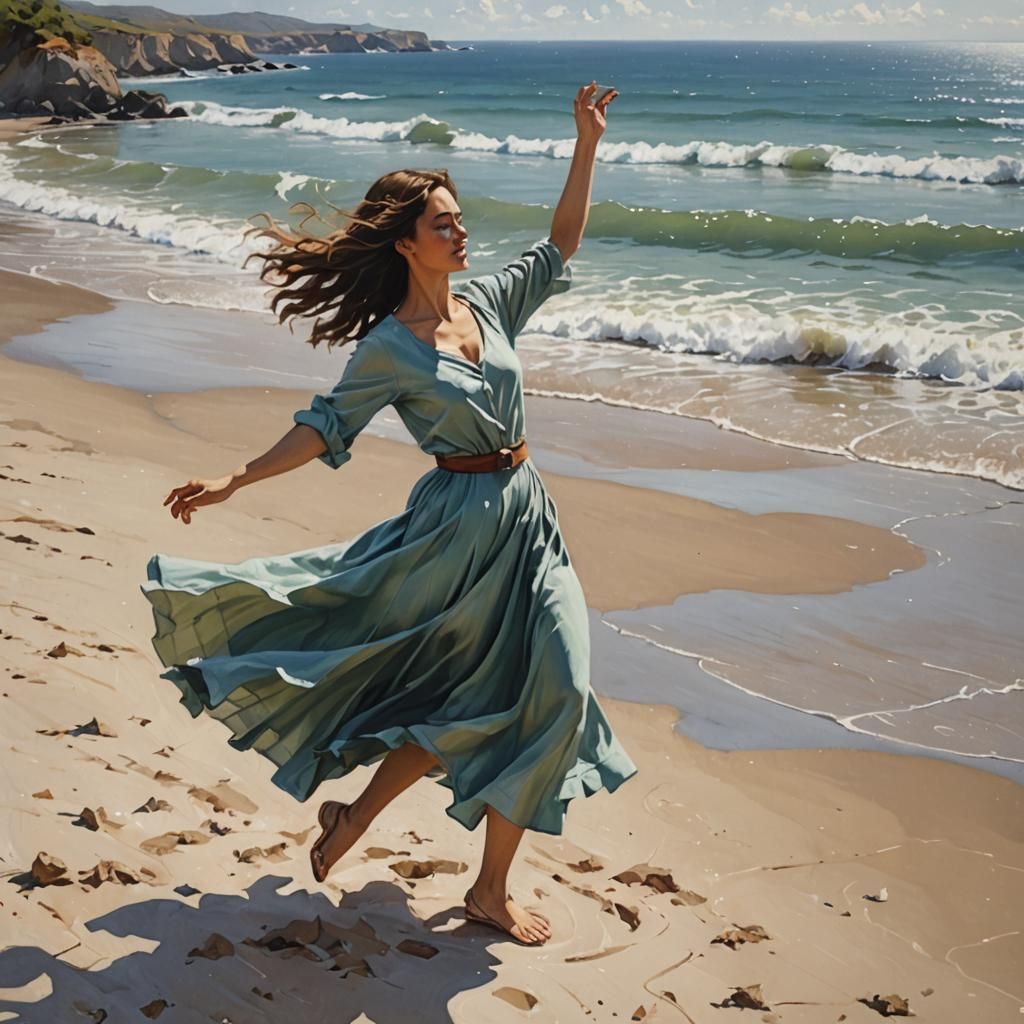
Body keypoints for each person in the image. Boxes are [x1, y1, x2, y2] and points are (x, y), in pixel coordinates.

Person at [141, 82, 637, 947]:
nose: (460, 230)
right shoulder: (389, 346)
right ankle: (447, 866)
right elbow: (325, 427)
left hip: (529, 522)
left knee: (554, 689)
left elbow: (561, 244)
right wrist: (237, 478)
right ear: (406, 241)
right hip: (453, 536)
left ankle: (436, 856)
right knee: (469, 699)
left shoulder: (489, 304)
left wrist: (586, 143)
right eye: (442, 222)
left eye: (458, 217)